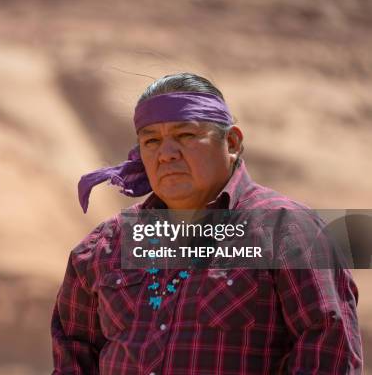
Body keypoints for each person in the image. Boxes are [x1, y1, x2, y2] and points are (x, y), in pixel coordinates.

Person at [50, 73, 362, 374]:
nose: (167, 154)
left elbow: (328, 355)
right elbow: (72, 361)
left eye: (186, 136)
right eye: (152, 141)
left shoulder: (288, 232)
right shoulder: (106, 246)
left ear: (232, 142)